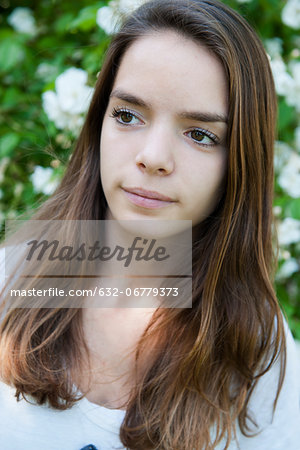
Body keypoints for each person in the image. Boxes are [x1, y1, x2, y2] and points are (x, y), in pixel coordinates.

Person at [0, 0, 299, 449]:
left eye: (200, 134)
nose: (153, 157)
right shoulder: (10, 280)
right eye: (127, 115)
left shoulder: (258, 348)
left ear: (239, 162)